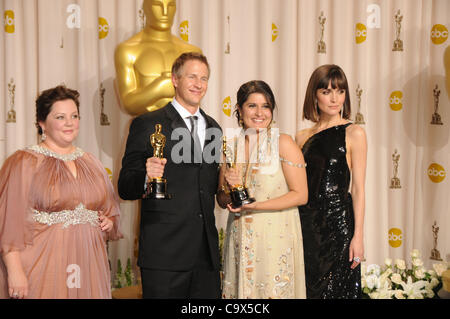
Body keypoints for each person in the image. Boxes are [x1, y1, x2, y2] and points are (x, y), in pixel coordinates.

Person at [0, 85, 122, 299]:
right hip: (43, 263)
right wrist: (15, 271)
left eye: (74, 116)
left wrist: (108, 221)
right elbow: (8, 222)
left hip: (88, 263)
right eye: (60, 117)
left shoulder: (91, 162)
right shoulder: (24, 162)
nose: (69, 123)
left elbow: (109, 210)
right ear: (42, 123)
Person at [118, 52, 222, 298]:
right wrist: (146, 175)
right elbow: (124, 186)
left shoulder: (214, 128)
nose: (199, 84)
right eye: (192, 76)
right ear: (175, 79)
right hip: (164, 253)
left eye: (204, 78)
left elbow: (206, 186)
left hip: (205, 256)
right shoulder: (147, 123)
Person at [218, 80, 308, 299]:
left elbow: (301, 195)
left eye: (265, 106)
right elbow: (221, 200)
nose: (260, 113)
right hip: (239, 240)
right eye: (252, 106)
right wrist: (228, 190)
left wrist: (257, 206)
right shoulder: (230, 145)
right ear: (239, 109)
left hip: (274, 241)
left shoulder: (283, 142)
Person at [295, 64, 367, 299]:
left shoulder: (354, 133)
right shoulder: (301, 137)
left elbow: (358, 189)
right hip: (306, 225)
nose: (335, 98)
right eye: (326, 91)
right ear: (314, 96)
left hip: (339, 227)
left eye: (340, 91)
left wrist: (358, 236)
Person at [114, 0, 202, 116]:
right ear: (145, 8)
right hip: (144, 130)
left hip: (183, 129)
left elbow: (195, 98)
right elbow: (128, 105)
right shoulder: (128, 50)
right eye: (157, 5)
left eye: (170, 6)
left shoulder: (192, 52)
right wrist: (160, 88)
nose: (165, 12)